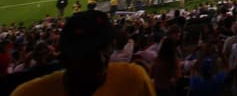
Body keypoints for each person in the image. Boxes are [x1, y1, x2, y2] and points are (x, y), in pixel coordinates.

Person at [11, 10, 154, 96]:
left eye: (105, 48)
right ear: (65, 58)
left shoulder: (135, 79)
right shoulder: (28, 94)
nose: (101, 59)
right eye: (87, 54)